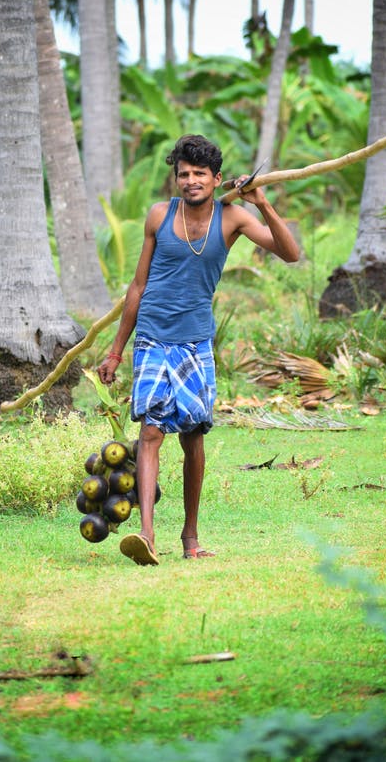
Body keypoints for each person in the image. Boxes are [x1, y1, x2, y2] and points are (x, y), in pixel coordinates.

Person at [98, 134, 300, 566]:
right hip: (152, 337)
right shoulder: (159, 215)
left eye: (199, 174)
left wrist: (262, 203)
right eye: (183, 174)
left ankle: (190, 536)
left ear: (217, 179)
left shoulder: (233, 218)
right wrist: (116, 351)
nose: (190, 181)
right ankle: (147, 535)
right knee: (150, 432)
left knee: (192, 437)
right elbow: (137, 287)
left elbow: (291, 253)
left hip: (195, 342)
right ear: (176, 179)